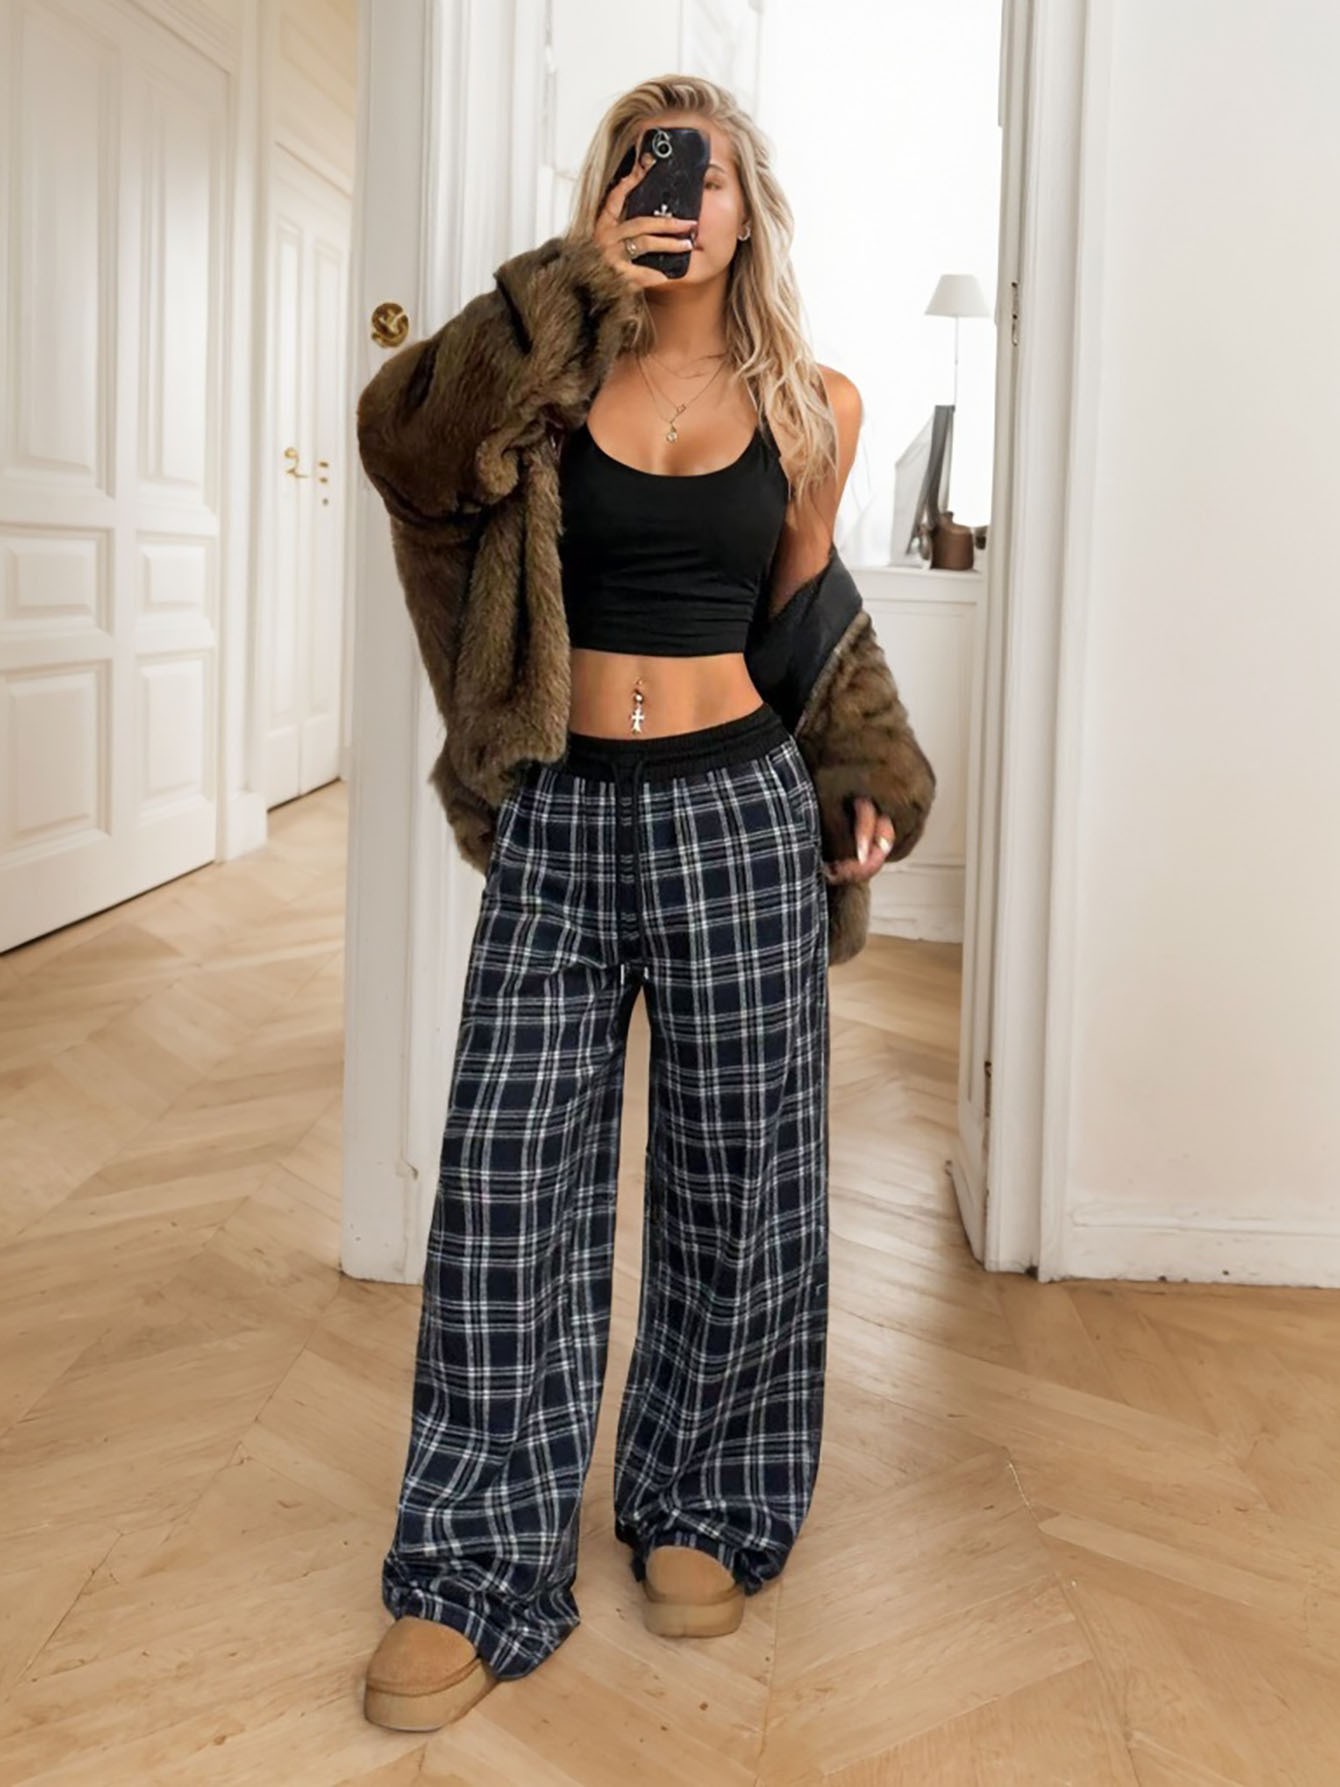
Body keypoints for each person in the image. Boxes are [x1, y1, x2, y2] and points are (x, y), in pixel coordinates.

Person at [357, 77, 936, 1733]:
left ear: (750, 211)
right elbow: (402, 448)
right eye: (642, 166)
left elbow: (805, 622)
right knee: (505, 1186)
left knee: (744, 1172)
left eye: (704, 173)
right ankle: (475, 1563)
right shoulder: (541, 374)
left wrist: (860, 775)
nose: (675, 194)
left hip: (734, 812)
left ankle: (704, 1498)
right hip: (561, 808)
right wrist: (564, 283)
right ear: (608, 194)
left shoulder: (813, 404)